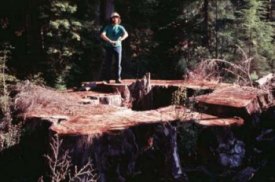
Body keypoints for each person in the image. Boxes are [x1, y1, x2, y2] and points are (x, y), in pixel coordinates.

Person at [100, 12, 128, 84]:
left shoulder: (120, 27)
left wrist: (121, 39)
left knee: (118, 64)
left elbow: (126, 34)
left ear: (118, 18)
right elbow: (102, 35)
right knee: (108, 63)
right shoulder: (108, 27)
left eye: (116, 17)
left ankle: (118, 78)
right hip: (109, 47)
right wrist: (109, 41)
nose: (115, 18)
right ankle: (107, 79)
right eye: (114, 17)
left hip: (118, 47)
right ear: (111, 19)